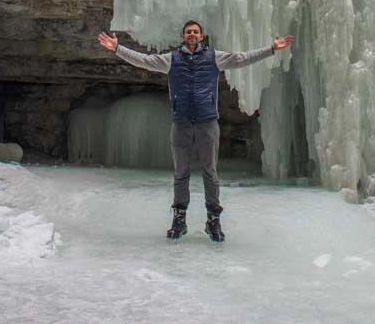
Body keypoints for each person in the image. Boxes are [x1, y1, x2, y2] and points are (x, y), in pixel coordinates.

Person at [96, 21, 293, 242]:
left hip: (207, 123)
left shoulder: (214, 57)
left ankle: (213, 221)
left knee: (210, 172)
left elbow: (241, 58)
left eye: (196, 32)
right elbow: (144, 61)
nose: (192, 34)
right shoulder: (171, 59)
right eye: (189, 32)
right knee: (181, 173)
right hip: (181, 123)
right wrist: (117, 48)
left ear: (201, 36)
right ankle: (179, 220)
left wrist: (272, 49)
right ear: (183, 36)